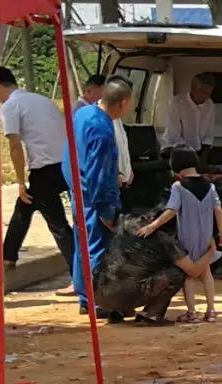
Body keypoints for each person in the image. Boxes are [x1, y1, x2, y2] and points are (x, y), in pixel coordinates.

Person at [0, 66, 74, 275]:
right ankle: (7, 256)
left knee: (57, 223)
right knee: (25, 205)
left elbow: (15, 146)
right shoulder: (42, 100)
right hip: (65, 164)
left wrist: (20, 181)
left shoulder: (10, 106)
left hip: (45, 169)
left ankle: (81, 271)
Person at [63, 78, 133, 320]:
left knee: (82, 246)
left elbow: (70, 156)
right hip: (94, 197)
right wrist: (106, 210)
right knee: (98, 250)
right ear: (123, 103)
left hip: (79, 192)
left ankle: (86, 298)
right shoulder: (102, 129)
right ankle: (100, 302)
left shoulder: (83, 114)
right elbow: (98, 173)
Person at [137, 148, 222, 323]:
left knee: (188, 275)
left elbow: (171, 210)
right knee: (206, 272)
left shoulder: (178, 186)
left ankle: (192, 312)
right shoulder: (210, 186)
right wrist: (221, 234)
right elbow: (218, 210)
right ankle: (211, 311)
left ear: (176, 166)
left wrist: (152, 226)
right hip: (206, 237)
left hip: (187, 238)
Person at [94, 208, 218, 326]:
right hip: (126, 293)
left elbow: (105, 219)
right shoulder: (165, 239)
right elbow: (193, 271)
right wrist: (211, 251)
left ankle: (116, 311)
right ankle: (152, 314)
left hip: (99, 294)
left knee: (124, 265)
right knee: (177, 272)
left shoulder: (126, 221)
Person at [162, 73, 216, 153]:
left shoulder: (209, 104)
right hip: (177, 149)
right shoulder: (177, 103)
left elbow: (209, 131)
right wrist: (188, 151)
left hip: (200, 149)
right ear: (193, 90)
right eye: (204, 93)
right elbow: (173, 135)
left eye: (209, 94)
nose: (207, 97)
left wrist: (205, 148)